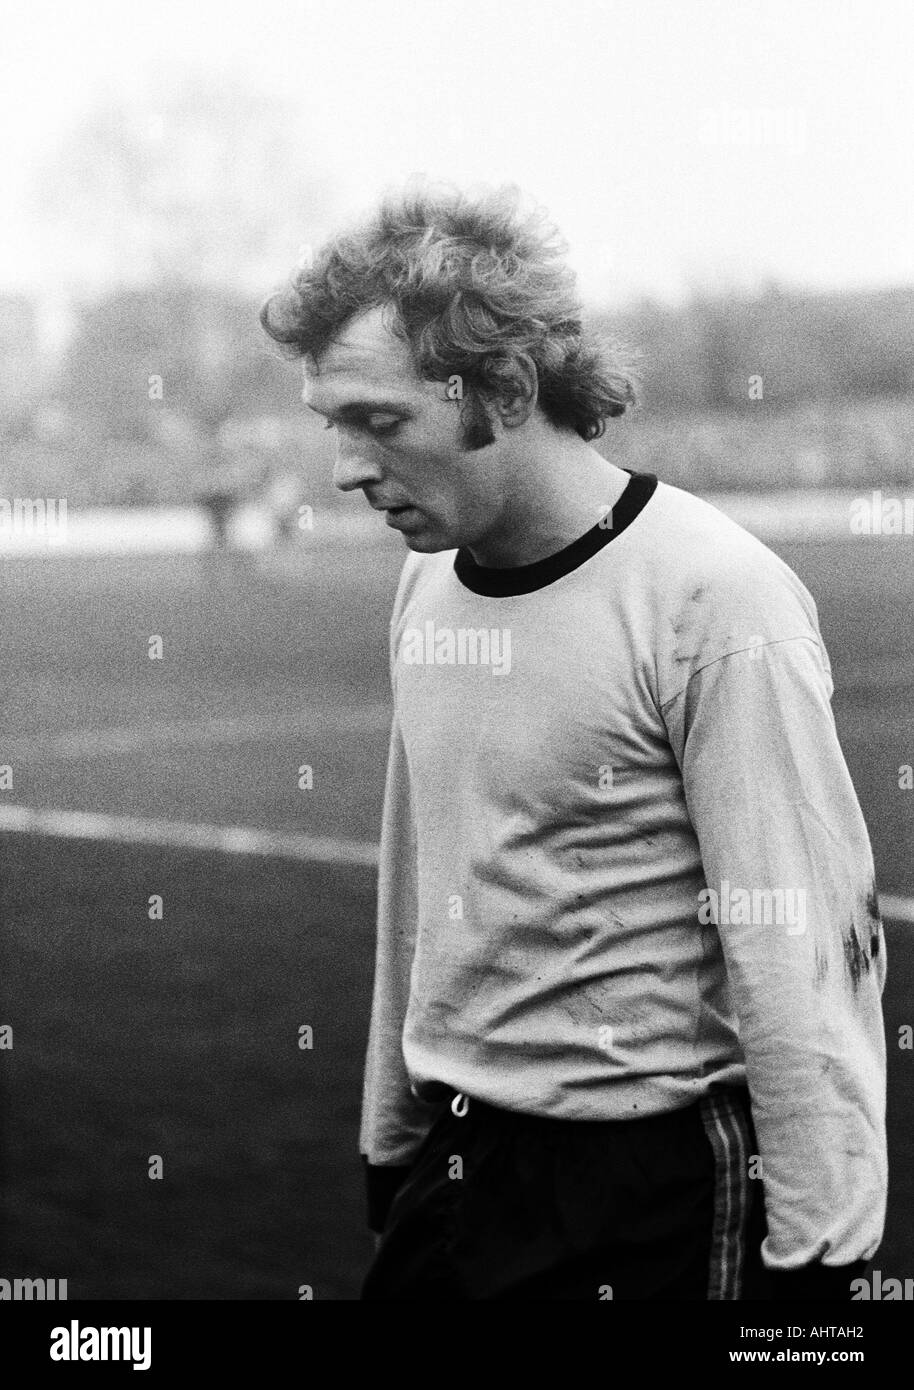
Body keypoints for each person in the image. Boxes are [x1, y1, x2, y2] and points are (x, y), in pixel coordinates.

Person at [260, 184, 887, 1301]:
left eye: (378, 421)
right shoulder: (424, 582)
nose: (344, 470)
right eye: (330, 423)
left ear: (501, 388)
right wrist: (389, 1135)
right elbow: (418, 874)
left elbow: (799, 952)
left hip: (641, 1188)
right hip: (454, 1170)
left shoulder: (712, 594)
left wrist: (820, 1265)